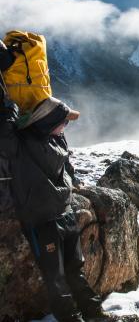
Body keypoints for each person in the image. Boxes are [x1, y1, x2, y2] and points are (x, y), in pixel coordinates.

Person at [0, 50, 107, 321]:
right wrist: (8, 109)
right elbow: (5, 131)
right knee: (60, 276)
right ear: (48, 123)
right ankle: (82, 316)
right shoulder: (21, 145)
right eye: (62, 122)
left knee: (66, 273)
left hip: (56, 215)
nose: (65, 127)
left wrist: (10, 108)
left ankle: (92, 313)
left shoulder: (50, 141)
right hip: (46, 218)